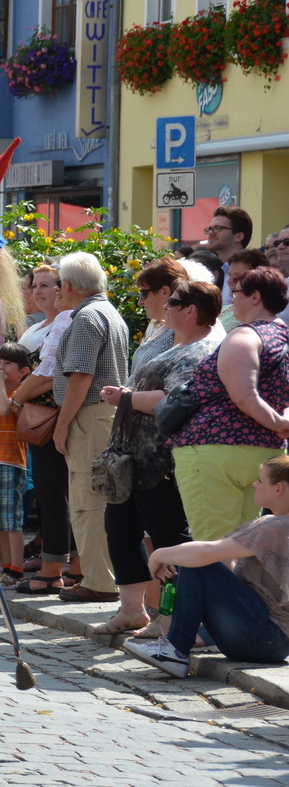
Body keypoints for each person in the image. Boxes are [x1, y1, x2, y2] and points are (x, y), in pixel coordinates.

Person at [95, 278, 223, 636]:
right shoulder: (173, 344)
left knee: (170, 541)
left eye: (175, 302)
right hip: (134, 459)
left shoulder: (201, 350)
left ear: (191, 311)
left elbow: (173, 401)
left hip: (161, 462)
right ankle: (133, 610)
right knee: (121, 531)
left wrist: (126, 397)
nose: (166, 307)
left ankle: (175, 618)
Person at [125, 453, 289, 677]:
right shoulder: (275, 525)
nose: (254, 485)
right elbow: (228, 568)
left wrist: (157, 556)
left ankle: (176, 651)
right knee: (191, 559)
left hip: (265, 639)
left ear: (278, 488)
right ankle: (188, 641)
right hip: (272, 642)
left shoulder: (276, 526)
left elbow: (207, 553)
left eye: (260, 480)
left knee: (196, 562)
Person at [164, 266, 289, 541]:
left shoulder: (245, 335)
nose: (232, 301)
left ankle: (209, 587)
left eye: (236, 294)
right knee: (242, 549)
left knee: (213, 548)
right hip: (263, 453)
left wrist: (278, 422)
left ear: (255, 297)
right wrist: (280, 423)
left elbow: (244, 396)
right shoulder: (283, 336)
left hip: (215, 449)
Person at [49, 251, 131, 604]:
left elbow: (80, 377)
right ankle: (103, 577)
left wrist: (61, 424)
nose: (56, 291)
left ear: (68, 285)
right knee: (99, 497)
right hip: (105, 414)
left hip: (90, 414)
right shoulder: (109, 313)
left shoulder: (86, 318)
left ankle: (99, 580)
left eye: (57, 284)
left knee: (87, 498)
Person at [11, 265, 74, 593]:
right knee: (50, 494)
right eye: (35, 285)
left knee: (55, 494)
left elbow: (47, 374)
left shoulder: (64, 322)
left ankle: (57, 566)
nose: (39, 292)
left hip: (47, 416)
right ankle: (61, 560)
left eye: (47, 286)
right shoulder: (35, 327)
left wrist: (14, 399)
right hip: (32, 419)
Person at [0, 343, 32, 582]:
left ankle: (16, 568)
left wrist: (0, 383)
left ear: (23, 371)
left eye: (8, 364)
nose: (1, 367)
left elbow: (4, 412)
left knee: (12, 521)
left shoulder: (19, 392)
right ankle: (5, 565)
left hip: (10, 460)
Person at [206, 206, 252, 306]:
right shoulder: (220, 270)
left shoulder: (252, 272)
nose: (210, 233)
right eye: (209, 229)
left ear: (239, 236)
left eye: (218, 228)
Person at [217, 248, 268, 329]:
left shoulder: (260, 316)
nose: (230, 281)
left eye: (238, 276)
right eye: (230, 275)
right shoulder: (224, 308)